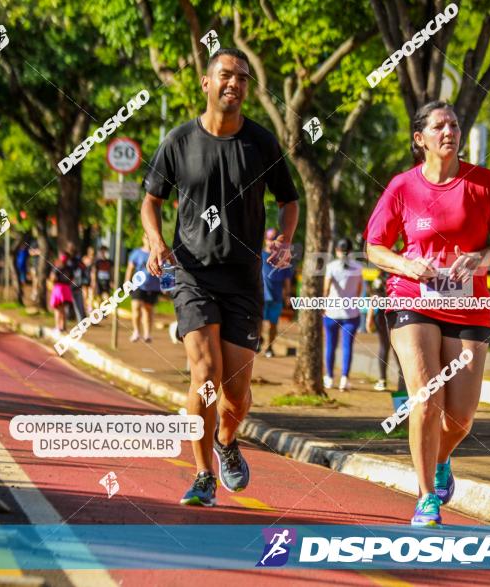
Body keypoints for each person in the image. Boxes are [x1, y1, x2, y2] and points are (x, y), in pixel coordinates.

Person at [140, 47, 299, 507]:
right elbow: (151, 200)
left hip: (243, 278)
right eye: (225, 75)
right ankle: (203, 473)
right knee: (204, 373)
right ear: (206, 83)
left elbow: (290, 201)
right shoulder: (178, 141)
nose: (234, 83)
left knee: (237, 394)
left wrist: (284, 240)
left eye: (243, 78)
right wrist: (154, 241)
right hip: (192, 275)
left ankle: (228, 442)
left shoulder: (262, 143)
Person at [365, 100, 490, 526]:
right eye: (439, 126)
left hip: (468, 305)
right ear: (421, 139)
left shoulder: (483, 183)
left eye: (454, 123)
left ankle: (441, 458)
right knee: (426, 396)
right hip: (412, 298)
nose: (449, 131)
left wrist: (484, 256)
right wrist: (405, 264)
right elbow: (373, 246)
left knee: (461, 416)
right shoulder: (402, 187)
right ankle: (426, 496)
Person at [322, 238, 363, 391]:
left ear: (337, 251)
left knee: (330, 346)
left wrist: (323, 305)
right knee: (347, 347)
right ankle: (344, 379)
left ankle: (329, 378)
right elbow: (358, 290)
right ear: (351, 251)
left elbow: (326, 289)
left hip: (332, 312)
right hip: (351, 314)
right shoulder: (358, 267)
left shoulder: (331, 266)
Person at [365, 272, 404, 392]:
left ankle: (384, 380)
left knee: (385, 346)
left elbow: (374, 299)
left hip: (385, 316)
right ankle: (401, 382)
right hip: (399, 315)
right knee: (396, 349)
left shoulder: (381, 276)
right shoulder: (401, 272)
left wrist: (369, 318)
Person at [261, 228, 294, 358]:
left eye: (274, 238)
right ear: (265, 240)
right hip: (261, 296)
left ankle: (269, 347)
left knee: (273, 325)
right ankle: (258, 342)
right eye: (269, 238)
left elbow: (287, 279)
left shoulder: (283, 257)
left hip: (276, 296)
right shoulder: (259, 255)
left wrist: (287, 295)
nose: (271, 241)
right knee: (258, 322)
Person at [125, 235, 160, 343]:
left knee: (148, 310)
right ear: (143, 239)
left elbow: (164, 269)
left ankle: (147, 334)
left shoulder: (158, 253)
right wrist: (127, 281)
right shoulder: (136, 253)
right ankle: (136, 332)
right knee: (136, 307)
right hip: (138, 285)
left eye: (150, 237)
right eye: (146, 237)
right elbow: (130, 268)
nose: (148, 240)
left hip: (153, 286)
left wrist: (166, 284)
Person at [48, 251, 74, 334]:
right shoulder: (70, 268)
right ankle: (63, 327)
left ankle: (57, 327)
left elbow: (53, 278)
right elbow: (72, 279)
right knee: (63, 309)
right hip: (67, 289)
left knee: (57, 309)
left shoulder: (57, 267)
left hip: (58, 289)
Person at [63, 243, 86, 322]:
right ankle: (68, 318)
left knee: (78, 303)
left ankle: (81, 321)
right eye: (70, 249)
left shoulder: (77, 260)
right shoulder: (66, 259)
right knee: (67, 303)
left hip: (77, 284)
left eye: (72, 249)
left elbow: (83, 268)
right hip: (68, 284)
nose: (71, 251)